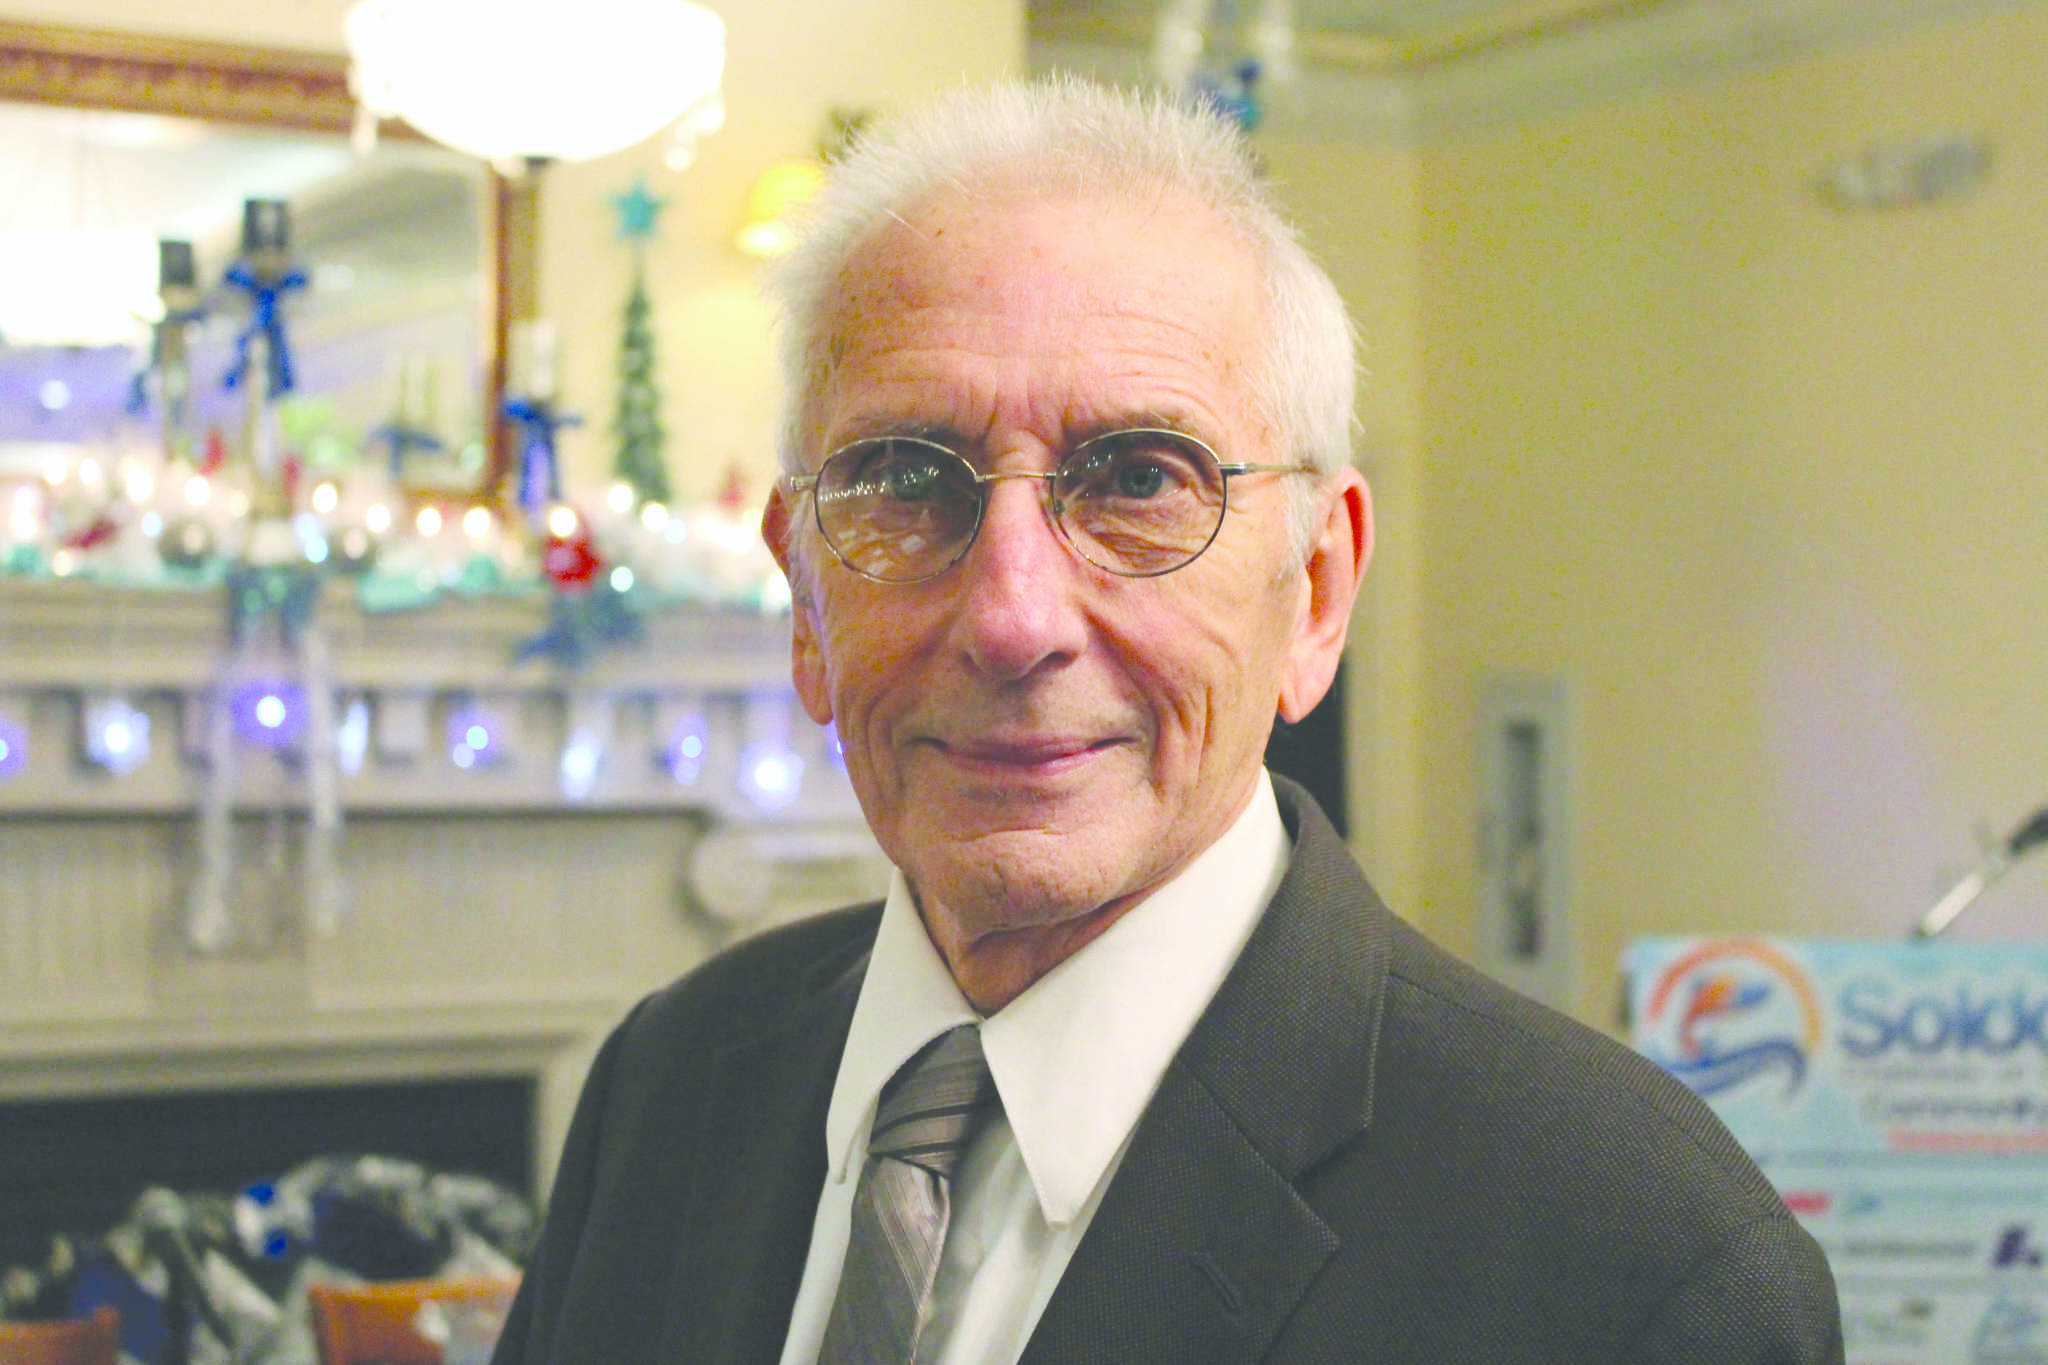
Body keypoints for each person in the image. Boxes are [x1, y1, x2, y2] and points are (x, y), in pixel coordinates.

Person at [490, 80, 1842, 1365]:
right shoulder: (669, 1086)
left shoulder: (1625, 1260)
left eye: (1141, 477)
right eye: (906, 478)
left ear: (1315, 591)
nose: (1013, 616)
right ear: (805, 602)